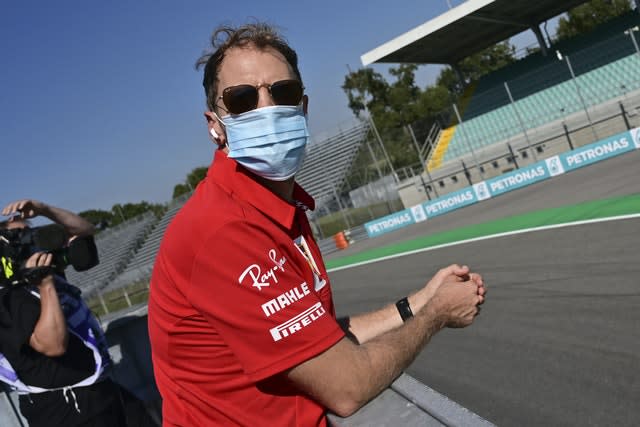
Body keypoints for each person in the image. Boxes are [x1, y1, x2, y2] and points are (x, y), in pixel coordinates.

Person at [147, 22, 486, 427]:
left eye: (283, 92)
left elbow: (321, 338)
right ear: (215, 125)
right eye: (242, 100)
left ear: (303, 108)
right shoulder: (222, 229)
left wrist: (419, 302)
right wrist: (438, 315)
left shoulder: (276, 206)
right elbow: (347, 385)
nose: (267, 109)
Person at [0, 199, 127, 427]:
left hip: (99, 396)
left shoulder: (48, 270)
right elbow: (52, 345)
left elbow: (85, 230)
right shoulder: (7, 299)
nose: (31, 241)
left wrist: (44, 210)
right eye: (20, 239)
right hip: (63, 412)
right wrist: (46, 285)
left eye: (31, 233)